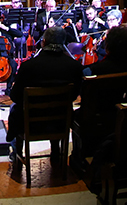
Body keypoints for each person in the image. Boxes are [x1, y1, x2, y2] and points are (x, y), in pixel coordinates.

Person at [6, 26, 84, 154]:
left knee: (14, 108)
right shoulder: (74, 66)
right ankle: (55, 149)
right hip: (60, 122)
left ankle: (17, 153)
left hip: (30, 123)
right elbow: (75, 95)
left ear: (43, 42)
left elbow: (15, 96)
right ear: (63, 43)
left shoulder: (28, 67)